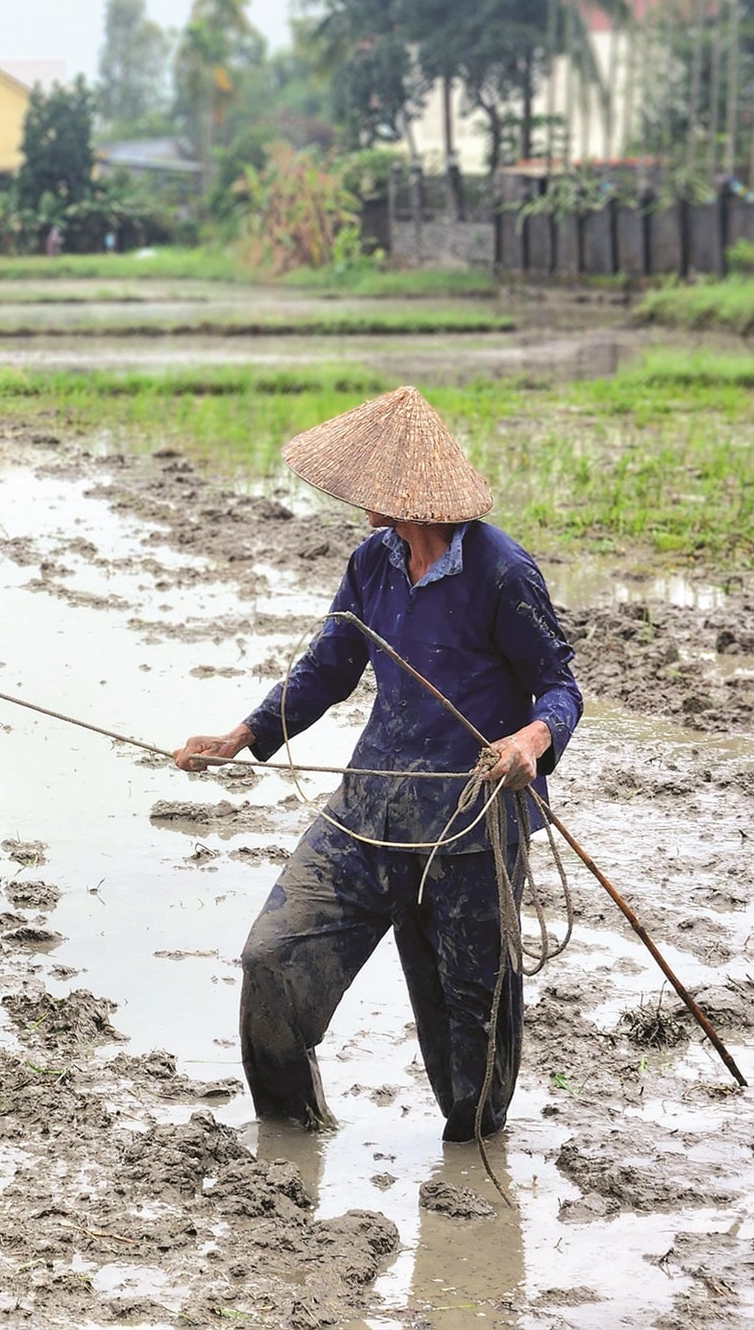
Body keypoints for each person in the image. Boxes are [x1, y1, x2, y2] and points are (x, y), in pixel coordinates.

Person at [174, 385, 582, 1141]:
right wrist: (244, 734)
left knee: (471, 1031)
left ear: (411, 495)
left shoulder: (502, 573)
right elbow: (328, 668)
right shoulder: (373, 562)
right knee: (271, 960)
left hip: (471, 829)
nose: (356, 498)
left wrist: (530, 743)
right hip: (367, 812)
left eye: (371, 487)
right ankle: (291, 1138)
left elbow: (560, 688)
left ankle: (470, 1165)